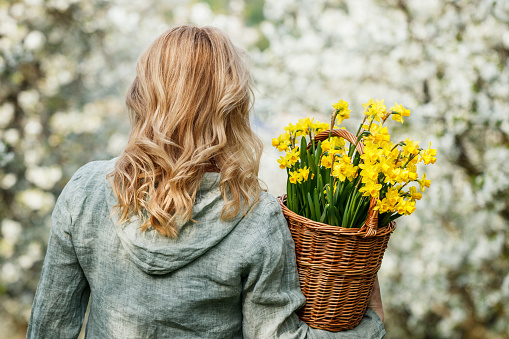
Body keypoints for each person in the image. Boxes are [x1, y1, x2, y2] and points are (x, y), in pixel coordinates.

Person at [26, 25, 386, 338]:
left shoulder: (86, 190)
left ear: (143, 95)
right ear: (231, 109)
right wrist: (373, 323)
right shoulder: (253, 217)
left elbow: (49, 327)